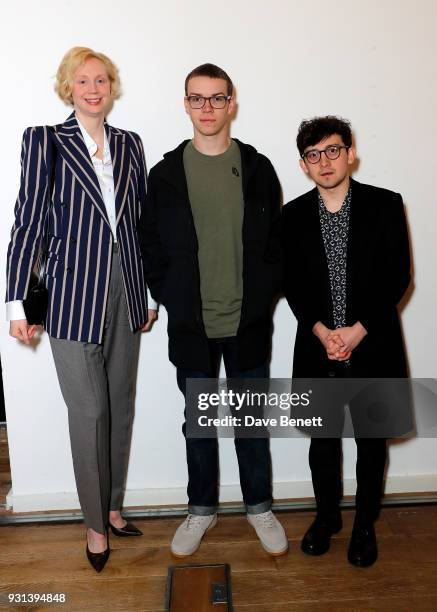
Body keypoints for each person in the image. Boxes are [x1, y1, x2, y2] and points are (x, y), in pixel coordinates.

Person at [6, 47, 157, 572]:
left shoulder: (132, 145)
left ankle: (112, 507)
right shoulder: (45, 140)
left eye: (102, 80)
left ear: (113, 87)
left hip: (126, 291)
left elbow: (137, 229)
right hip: (72, 295)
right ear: (68, 87)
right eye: (83, 80)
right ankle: (94, 525)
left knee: (120, 406)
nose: (94, 89)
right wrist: (17, 301)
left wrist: (145, 295)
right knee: (89, 413)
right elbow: (28, 222)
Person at [139, 63, 288, 557]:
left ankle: (259, 506)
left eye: (216, 98)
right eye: (197, 99)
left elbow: (275, 245)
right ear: (185, 105)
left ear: (231, 104)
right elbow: (150, 247)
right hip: (190, 326)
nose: (207, 108)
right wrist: (169, 295)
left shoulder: (258, 168)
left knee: (250, 423)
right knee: (198, 424)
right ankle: (200, 510)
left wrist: (263, 294)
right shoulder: (163, 175)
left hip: (246, 323)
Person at [282, 116, 411, 567]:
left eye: (333, 150)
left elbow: (398, 276)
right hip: (318, 347)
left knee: (371, 443)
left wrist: (357, 331)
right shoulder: (292, 215)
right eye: (314, 155)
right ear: (304, 165)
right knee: (322, 442)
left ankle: (363, 527)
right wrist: (321, 331)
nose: (325, 161)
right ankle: (326, 517)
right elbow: (292, 283)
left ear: (350, 153)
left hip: (372, 344)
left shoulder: (385, 205)